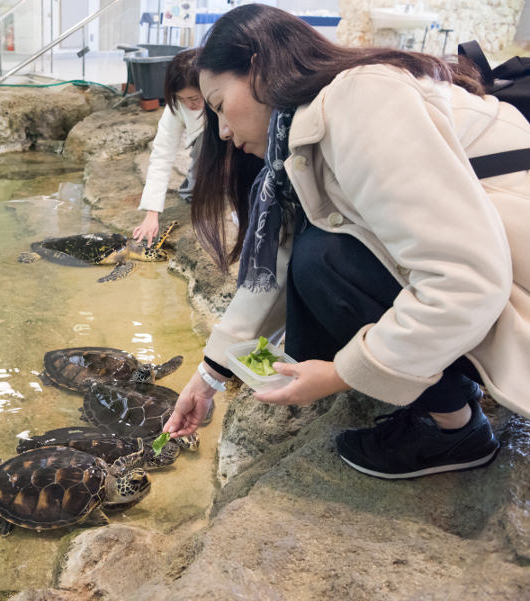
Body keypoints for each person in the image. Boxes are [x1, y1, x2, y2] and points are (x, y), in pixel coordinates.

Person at [163, 4, 530, 479]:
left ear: (258, 67)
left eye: (217, 105)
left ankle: (455, 428)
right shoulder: (303, 134)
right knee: (313, 255)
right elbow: (274, 268)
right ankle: (449, 385)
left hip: (511, 288)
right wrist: (208, 378)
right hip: (496, 276)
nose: (224, 131)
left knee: (323, 259)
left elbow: (466, 277)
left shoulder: (360, 100)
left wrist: (341, 374)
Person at [132, 48, 205, 247]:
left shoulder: (225, 93)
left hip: (235, 154)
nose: (188, 105)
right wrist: (152, 213)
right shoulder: (177, 106)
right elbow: (162, 155)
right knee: (195, 195)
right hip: (204, 158)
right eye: (181, 99)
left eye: (194, 98)